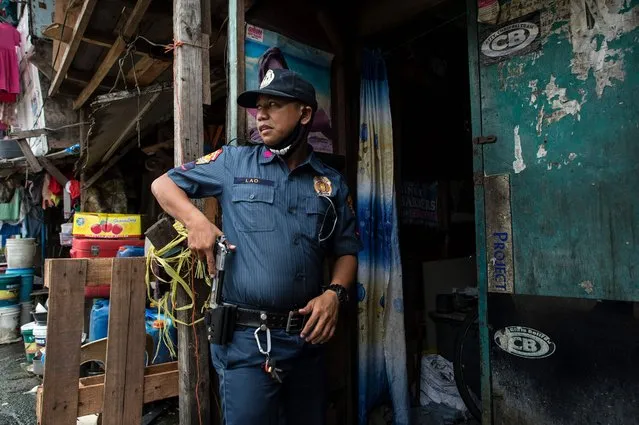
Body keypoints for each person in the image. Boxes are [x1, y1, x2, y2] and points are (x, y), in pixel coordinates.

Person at [151, 68, 360, 425]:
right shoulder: (234, 163)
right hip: (249, 343)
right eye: (258, 107)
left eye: (273, 105)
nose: (260, 115)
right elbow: (163, 184)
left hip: (308, 339)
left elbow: (347, 250)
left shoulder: (330, 183)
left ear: (305, 114)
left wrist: (335, 294)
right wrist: (196, 220)